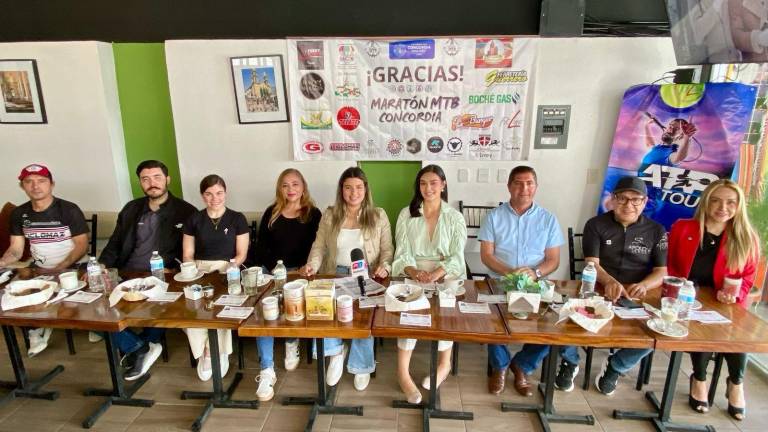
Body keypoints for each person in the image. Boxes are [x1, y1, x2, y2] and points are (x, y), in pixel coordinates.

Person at [668, 179, 759, 420]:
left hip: (727, 302)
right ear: (706, 202)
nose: (723, 208)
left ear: (739, 205)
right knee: (701, 329)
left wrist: (735, 294)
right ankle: (699, 379)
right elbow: (670, 264)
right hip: (688, 299)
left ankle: (736, 383)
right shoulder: (683, 228)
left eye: (730, 202)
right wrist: (679, 289)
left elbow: (748, 277)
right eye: (716, 201)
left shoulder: (746, 237)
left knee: (737, 335)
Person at [100, 160, 196, 381]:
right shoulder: (131, 209)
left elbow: (192, 250)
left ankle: (140, 346)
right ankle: (139, 346)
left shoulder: (186, 211)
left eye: (157, 177)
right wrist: (103, 265)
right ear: (140, 183)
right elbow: (115, 243)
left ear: (167, 179)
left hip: (165, 275)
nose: (152, 183)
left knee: (164, 304)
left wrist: (177, 269)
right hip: (127, 273)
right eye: (146, 179)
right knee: (93, 311)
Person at [299, 167, 392, 393]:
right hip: (335, 273)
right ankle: (336, 352)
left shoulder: (378, 215)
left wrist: (385, 266)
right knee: (329, 312)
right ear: (341, 190)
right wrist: (312, 265)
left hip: (365, 275)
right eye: (348, 188)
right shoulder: (330, 214)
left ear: (366, 189)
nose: (353, 193)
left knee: (363, 319)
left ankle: (361, 365)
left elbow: (387, 250)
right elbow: (319, 246)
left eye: (359, 187)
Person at [480, 166, 565, 396]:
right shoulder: (494, 217)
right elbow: (487, 255)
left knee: (553, 324)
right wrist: (510, 272)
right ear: (509, 186)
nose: (524, 188)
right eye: (518, 183)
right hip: (500, 280)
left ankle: (522, 365)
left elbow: (553, 260)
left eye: (529, 183)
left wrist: (535, 273)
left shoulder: (548, 219)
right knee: (491, 320)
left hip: (535, 284)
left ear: (536, 187)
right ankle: (500, 366)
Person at [582, 176, 667, 396]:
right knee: (573, 322)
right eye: (623, 198)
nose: (629, 205)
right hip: (600, 289)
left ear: (645, 202)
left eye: (636, 199)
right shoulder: (595, 225)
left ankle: (616, 366)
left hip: (636, 295)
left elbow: (661, 272)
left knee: (656, 331)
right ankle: (570, 362)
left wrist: (644, 285)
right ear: (613, 199)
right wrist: (608, 281)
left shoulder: (657, 231)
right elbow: (592, 263)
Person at [391, 164, 467, 404]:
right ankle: (403, 373)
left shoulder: (454, 217)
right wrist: (414, 271)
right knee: (409, 313)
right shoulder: (407, 214)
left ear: (443, 185)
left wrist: (436, 274)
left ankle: (444, 364)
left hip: (446, 272)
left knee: (446, 313)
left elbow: (457, 256)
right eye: (423, 183)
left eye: (434, 183)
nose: (428, 188)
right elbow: (402, 252)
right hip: (415, 271)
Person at [0, 163, 89, 356]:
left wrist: (60, 267)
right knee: (11, 295)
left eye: (41, 181)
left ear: (51, 184)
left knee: (71, 300)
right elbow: (16, 250)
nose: (35, 186)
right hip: (38, 270)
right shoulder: (19, 214)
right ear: (22, 186)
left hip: (74, 266)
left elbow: (82, 245)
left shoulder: (69, 209)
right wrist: (2, 262)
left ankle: (42, 324)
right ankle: (35, 329)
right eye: (29, 182)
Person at [251, 168, 321, 402]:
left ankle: (292, 341)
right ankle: (267, 369)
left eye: (295, 184)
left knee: (294, 300)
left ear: (303, 187)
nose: (290, 189)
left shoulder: (313, 214)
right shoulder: (271, 212)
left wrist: (302, 268)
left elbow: (318, 247)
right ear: (279, 189)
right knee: (264, 311)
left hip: (301, 272)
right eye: (285, 185)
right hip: (273, 271)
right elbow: (261, 247)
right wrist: (276, 269)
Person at [181, 175, 249, 382]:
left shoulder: (237, 218)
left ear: (225, 193)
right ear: (202, 196)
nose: (215, 198)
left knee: (220, 310)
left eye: (219, 193)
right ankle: (206, 350)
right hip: (199, 269)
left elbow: (241, 254)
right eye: (209, 194)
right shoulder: (194, 219)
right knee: (191, 310)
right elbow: (187, 254)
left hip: (227, 269)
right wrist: (192, 271)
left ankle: (214, 353)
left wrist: (230, 268)